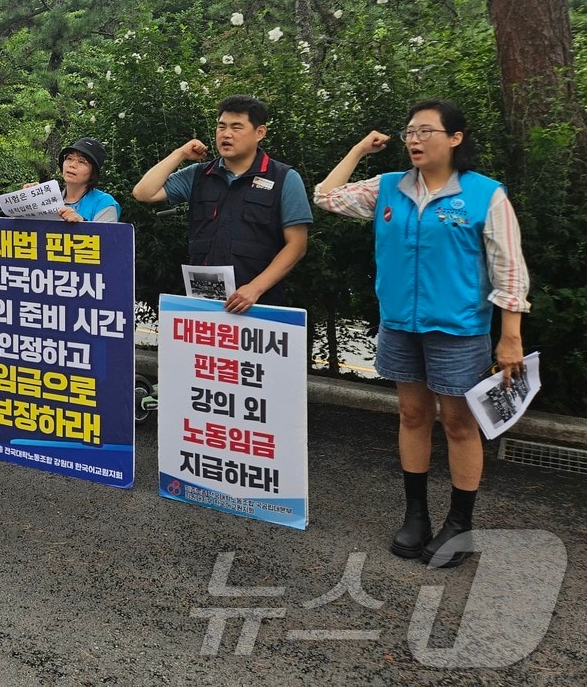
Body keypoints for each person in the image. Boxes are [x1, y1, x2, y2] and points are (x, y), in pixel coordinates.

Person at [315, 99, 529, 568]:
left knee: (458, 424)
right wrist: (359, 150)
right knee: (412, 415)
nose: (414, 139)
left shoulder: (485, 195)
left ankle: (460, 525)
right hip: (399, 325)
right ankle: (416, 515)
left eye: (426, 131)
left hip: (458, 330)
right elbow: (326, 197)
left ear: (455, 138)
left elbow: (509, 269)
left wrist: (510, 335)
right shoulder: (388, 187)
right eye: (410, 132)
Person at [132, 94, 310, 313]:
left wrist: (255, 288)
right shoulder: (200, 174)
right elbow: (143, 192)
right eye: (221, 126)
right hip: (204, 303)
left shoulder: (284, 178)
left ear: (260, 132)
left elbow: (296, 245)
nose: (226, 134)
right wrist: (180, 154)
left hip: (259, 305)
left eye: (236, 127)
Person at [48, 137, 121, 222]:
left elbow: (105, 231)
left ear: (93, 173)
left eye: (81, 161)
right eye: (69, 158)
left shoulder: (105, 203)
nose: (72, 165)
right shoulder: (50, 201)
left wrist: (82, 223)